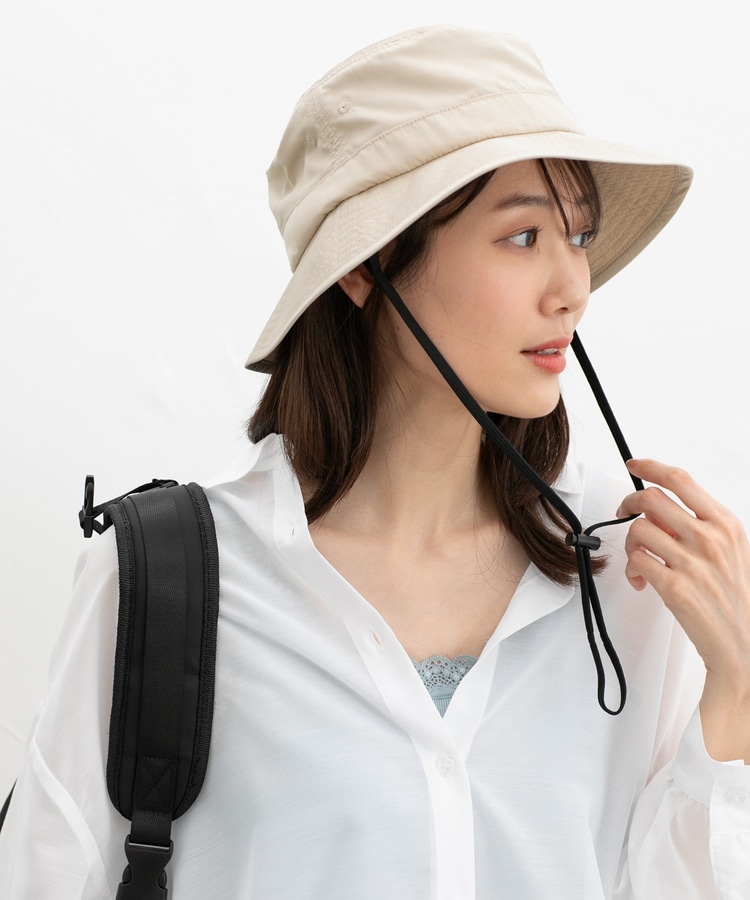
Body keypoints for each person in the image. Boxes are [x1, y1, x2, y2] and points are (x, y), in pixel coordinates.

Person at [1, 23, 749, 900]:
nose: (573, 289)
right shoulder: (164, 585)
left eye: (579, 236)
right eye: (522, 237)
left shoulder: (636, 581)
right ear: (366, 265)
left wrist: (736, 698)